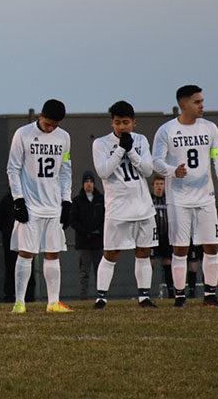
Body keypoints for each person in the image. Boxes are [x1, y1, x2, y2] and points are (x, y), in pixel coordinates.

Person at [152, 85, 218, 307]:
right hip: (179, 199)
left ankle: (210, 294)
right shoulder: (166, 130)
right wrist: (171, 170)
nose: (202, 105)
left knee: (211, 245)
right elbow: (156, 160)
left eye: (202, 101)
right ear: (183, 104)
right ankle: (179, 295)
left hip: (206, 196)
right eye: (197, 102)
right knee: (180, 247)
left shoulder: (210, 128)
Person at [7, 99, 73, 314]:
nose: (51, 128)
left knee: (53, 253)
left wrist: (67, 200)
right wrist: (18, 199)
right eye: (48, 124)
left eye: (55, 125)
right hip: (31, 205)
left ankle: (53, 302)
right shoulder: (22, 134)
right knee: (26, 253)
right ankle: (19, 303)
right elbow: (13, 169)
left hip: (53, 205)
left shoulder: (64, 137)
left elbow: (65, 170)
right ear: (41, 116)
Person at [92, 100, 158, 309]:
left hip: (143, 207)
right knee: (111, 253)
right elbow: (103, 172)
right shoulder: (100, 144)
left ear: (134, 123)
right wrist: (121, 149)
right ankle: (101, 298)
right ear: (112, 123)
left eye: (126, 122)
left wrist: (131, 151)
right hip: (117, 209)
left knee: (143, 251)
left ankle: (144, 297)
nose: (122, 127)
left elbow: (148, 170)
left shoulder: (141, 140)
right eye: (118, 122)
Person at [69, 171, 105, 300]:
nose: (88, 184)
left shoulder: (101, 199)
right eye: (86, 182)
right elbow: (73, 220)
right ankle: (83, 296)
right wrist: (86, 231)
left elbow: (105, 218)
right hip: (84, 242)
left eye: (91, 181)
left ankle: (101, 295)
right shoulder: (77, 201)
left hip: (98, 241)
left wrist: (98, 231)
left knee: (99, 270)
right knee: (84, 271)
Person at [0, 192, 35, 303]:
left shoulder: (28, 195)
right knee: (10, 267)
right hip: (10, 239)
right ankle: (10, 294)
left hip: (26, 236)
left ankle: (29, 294)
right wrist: (7, 231)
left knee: (28, 264)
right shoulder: (7, 199)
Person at [149, 175, 174, 298]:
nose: (159, 187)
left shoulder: (168, 200)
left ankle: (171, 292)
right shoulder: (148, 200)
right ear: (153, 186)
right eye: (157, 184)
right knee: (150, 264)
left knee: (168, 263)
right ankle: (145, 292)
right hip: (152, 237)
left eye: (161, 184)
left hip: (166, 237)